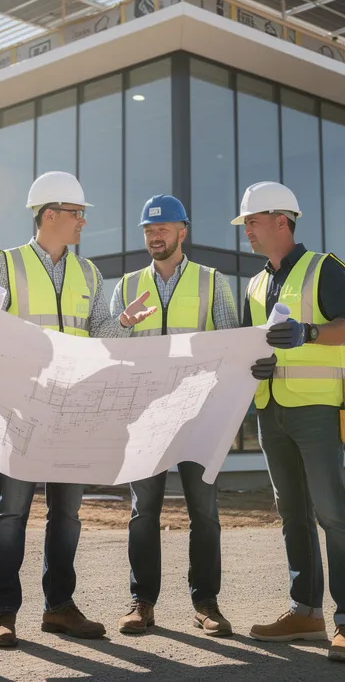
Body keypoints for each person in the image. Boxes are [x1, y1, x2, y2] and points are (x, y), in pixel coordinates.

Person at [0, 171, 120, 647]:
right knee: (12, 511)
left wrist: (125, 324)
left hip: (73, 412)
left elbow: (102, 335)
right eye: (78, 214)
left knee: (67, 514)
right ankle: (4, 612)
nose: (83, 223)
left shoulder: (89, 273)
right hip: (21, 411)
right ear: (50, 216)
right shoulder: (5, 266)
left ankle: (59, 608)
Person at [107, 194, 258, 638]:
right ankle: (142, 603)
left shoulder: (212, 282)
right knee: (143, 511)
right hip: (147, 419)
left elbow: (232, 346)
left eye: (164, 228)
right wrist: (122, 324)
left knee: (204, 512)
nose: (155, 235)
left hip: (200, 416)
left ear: (182, 231)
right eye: (149, 230)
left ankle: (206, 603)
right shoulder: (128, 285)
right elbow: (111, 350)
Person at [235, 181, 345, 663]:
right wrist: (257, 361)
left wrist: (309, 333)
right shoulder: (254, 284)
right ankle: (306, 611)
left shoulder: (324, 268)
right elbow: (254, 342)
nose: (246, 230)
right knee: (291, 512)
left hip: (316, 408)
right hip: (270, 408)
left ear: (280, 221)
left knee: (331, 512)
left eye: (251, 221)